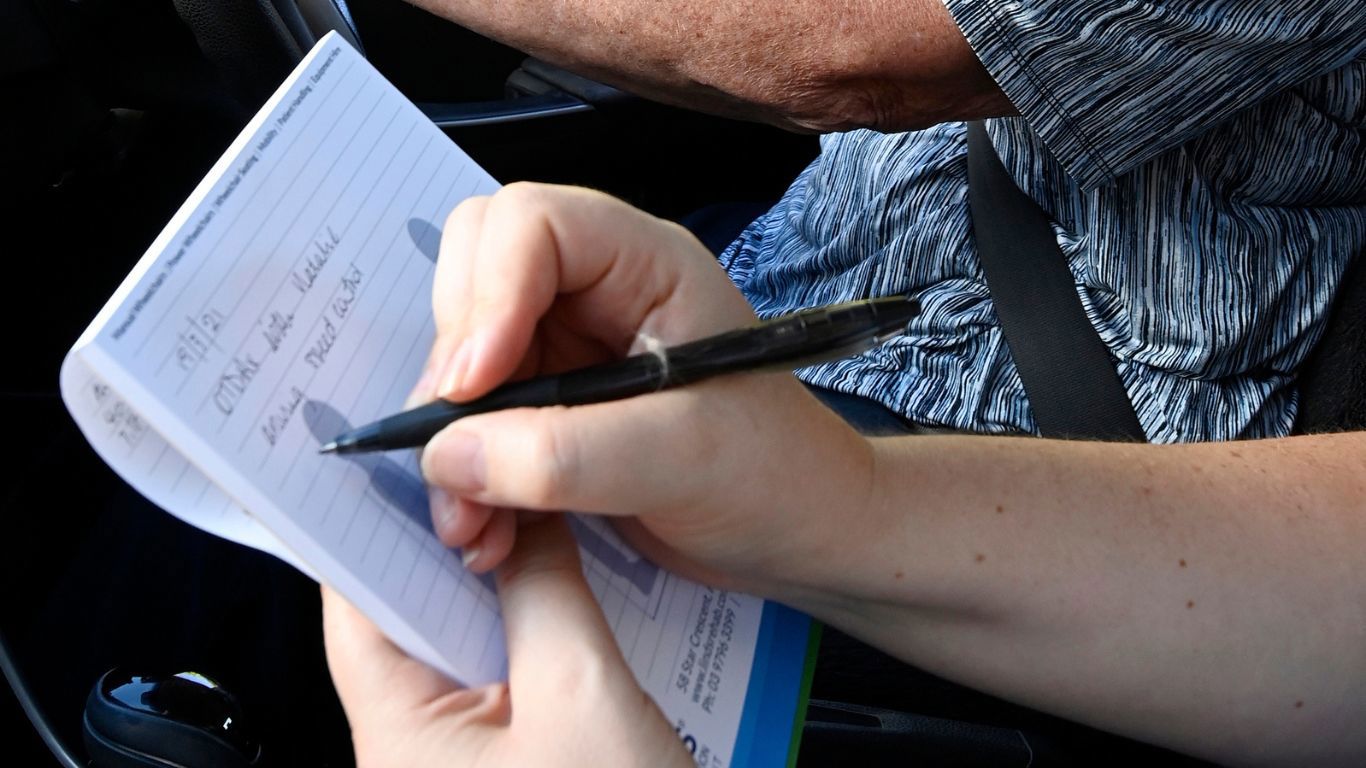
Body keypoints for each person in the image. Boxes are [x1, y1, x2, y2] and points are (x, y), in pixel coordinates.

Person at [322, 2, 1366, 766]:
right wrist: (834, 496)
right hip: (815, 284)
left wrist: (840, 497)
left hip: (1015, 410)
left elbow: (854, 49)